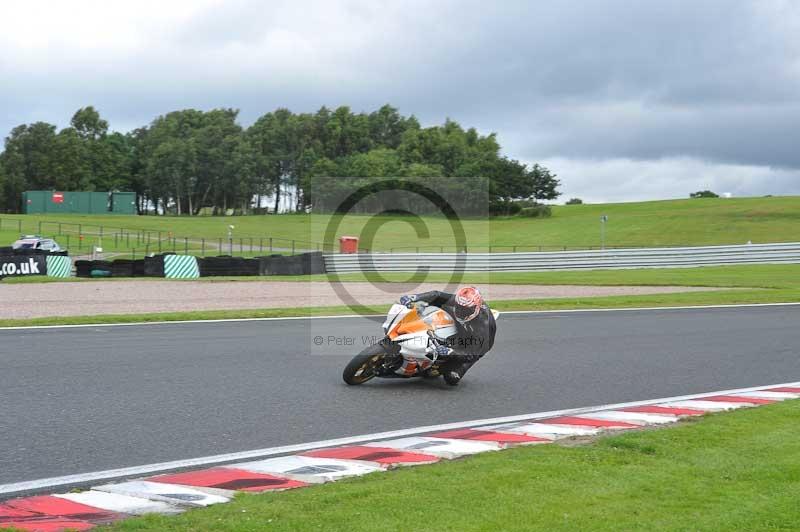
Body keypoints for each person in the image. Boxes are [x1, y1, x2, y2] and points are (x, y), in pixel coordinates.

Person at [399, 286, 496, 386]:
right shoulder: (464, 302)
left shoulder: (483, 326)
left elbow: (471, 354)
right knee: (436, 304)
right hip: (464, 327)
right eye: (459, 307)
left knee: (451, 378)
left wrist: (450, 352)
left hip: (476, 347)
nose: (461, 311)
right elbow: (437, 295)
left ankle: (438, 367)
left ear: (476, 308)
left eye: (465, 310)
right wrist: (414, 297)